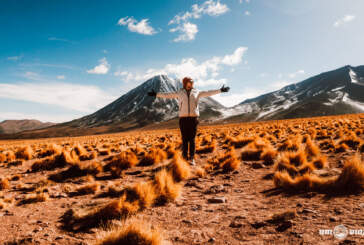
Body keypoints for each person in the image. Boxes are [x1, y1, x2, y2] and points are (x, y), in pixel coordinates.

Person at [147, 77, 230, 165]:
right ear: (185, 83)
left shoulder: (197, 92)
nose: (191, 84)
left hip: (193, 119)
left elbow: (208, 93)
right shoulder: (180, 92)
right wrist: (156, 94)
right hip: (183, 119)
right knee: (185, 140)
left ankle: (192, 158)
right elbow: (168, 95)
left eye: (192, 83)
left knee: (192, 139)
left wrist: (220, 90)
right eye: (189, 83)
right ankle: (184, 158)